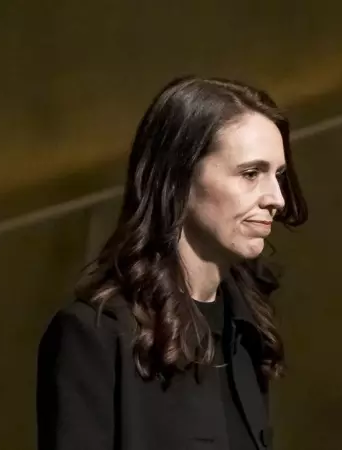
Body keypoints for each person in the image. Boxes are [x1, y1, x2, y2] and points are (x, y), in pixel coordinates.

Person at [36, 75, 308, 450]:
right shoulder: (96, 335)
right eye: (250, 174)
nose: (276, 198)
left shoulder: (245, 330)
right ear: (179, 176)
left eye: (277, 176)